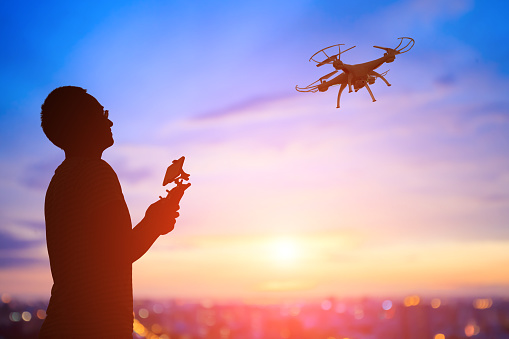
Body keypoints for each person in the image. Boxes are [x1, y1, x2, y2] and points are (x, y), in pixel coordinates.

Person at [38, 86, 180, 338]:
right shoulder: (96, 172)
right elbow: (121, 251)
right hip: (93, 329)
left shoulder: (60, 180)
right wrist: (155, 221)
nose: (110, 120)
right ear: (80, 122)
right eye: (101, 113)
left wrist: (155, 221)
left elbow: (97, 256)